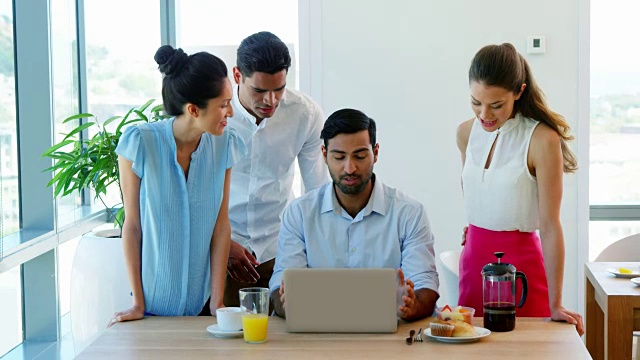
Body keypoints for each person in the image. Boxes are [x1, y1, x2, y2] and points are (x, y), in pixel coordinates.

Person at [109, 45, 244, 326]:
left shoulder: (224, 146)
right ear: (194, 109)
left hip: (201, 306)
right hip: (150, 309)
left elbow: (221, 226)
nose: (230, 111)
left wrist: (217, 303)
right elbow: (132, 226)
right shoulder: (140, 143)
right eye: (223, 104)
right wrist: (137, 303)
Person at [456, 43, 584, 335]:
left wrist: (557, 302)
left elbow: (551, 225)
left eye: (496, 104)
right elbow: (477, 196)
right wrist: (477, 229)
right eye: (476, 102)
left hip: (522, 270)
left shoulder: (541, 139)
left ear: (519, 91)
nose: (484, 114)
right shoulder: (465, 133)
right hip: (474, 264)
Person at [269, 108, 440, 321]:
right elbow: (281, 283)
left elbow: (425, 283)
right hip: (317, 334)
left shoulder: (409, 213)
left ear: (375, 153)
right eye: (339, 157)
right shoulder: (299, 213)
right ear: (324, 155)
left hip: (391, 339)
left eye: (359, 156)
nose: (349, 168)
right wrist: (287, 302)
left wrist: (413, 305)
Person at [224, 31, 329, 308]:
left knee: (286, 343)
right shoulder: (217, 114)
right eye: (259, 90)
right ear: (237, 76)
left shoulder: (304, 113)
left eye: (279, 88)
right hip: (222, 249)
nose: (270, 100)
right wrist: (222, 244)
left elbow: (317, 191)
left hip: (279, 247)